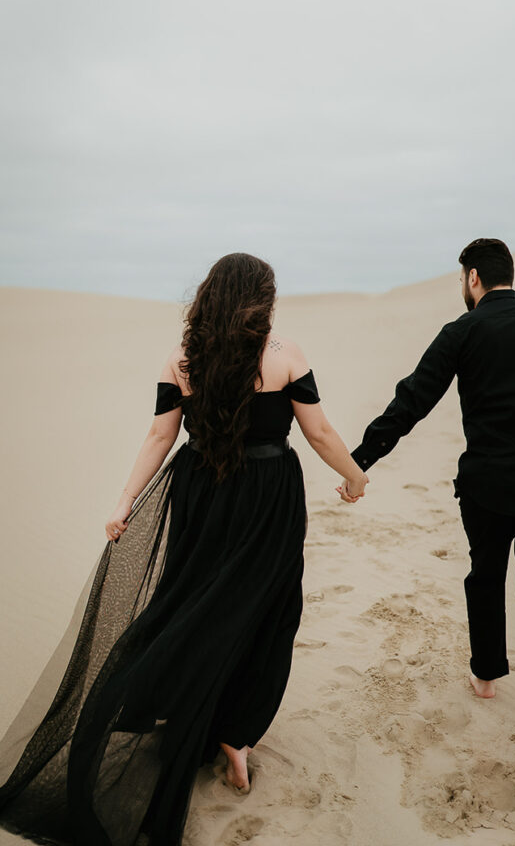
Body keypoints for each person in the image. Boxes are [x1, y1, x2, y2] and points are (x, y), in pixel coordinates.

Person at [0, 252, 368, 846]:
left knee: (190, 605)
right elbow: (318, 431)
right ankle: (235, 737)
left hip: (198, 493)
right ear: (260, 301)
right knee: (265, 614)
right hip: (267, 499)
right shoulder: (285, 355)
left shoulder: (182, 358)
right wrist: (355, 475)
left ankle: (170, 712)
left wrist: (123, 503)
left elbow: (160, 435)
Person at [338, 238, 515, 771]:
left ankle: (485, 677)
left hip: (485, 487)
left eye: (463, 279)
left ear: (474, 277)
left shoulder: (462, 331)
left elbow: (411, 400)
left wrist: (359, 462)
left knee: (485, 575)